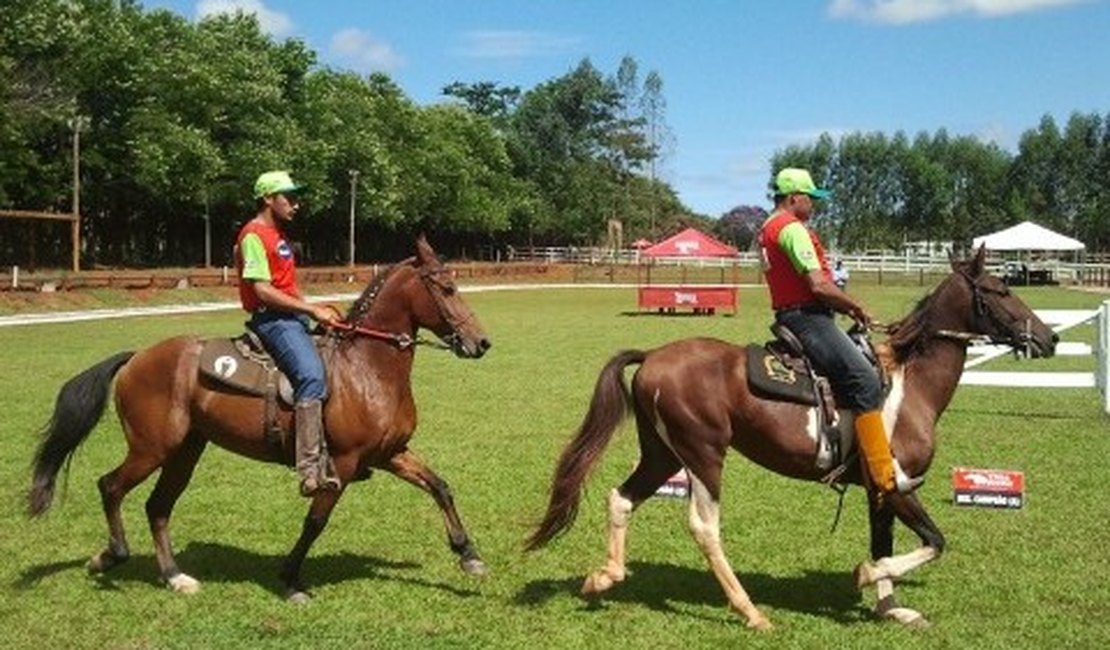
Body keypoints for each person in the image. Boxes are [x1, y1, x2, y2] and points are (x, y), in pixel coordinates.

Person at [757, 167, 920, 495]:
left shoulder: (766, 228)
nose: (814, 205)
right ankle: (883, 474)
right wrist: (853, 306)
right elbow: (818, 284)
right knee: (865, 380)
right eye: (810, 198)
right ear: (793, 198)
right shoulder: (791, 229)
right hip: (808, 318)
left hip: (793, 315)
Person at [234, 170, 341, 497]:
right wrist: (310, 311)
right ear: (268, 199)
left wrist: (316, 308)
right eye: (289, 197)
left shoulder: (278, 235)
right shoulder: (253, 235)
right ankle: (310, 469)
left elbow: (286, 287)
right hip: (273, 320)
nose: (296, 204)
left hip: (291, 316)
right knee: (311, 376)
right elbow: (263, 292)